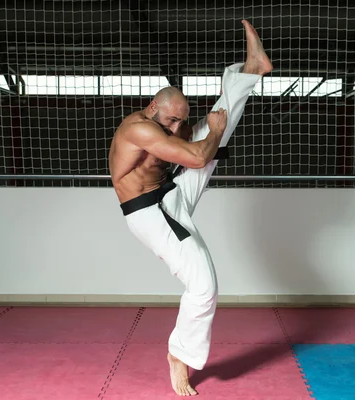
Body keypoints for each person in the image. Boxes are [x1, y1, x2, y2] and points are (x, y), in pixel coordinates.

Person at [108, 20, 273, 396]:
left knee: (214, 130)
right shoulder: (138, 130)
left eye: (182, 118)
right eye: (172, 119)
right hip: (150, 213)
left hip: (169, 192)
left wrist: (210, 131)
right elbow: (198, 158)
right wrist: (211, 132)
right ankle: (178, 356)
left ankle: (251, 70)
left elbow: (197, 148)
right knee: (203, 285)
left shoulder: (169, 124)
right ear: (152, 107)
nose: (178, 125)